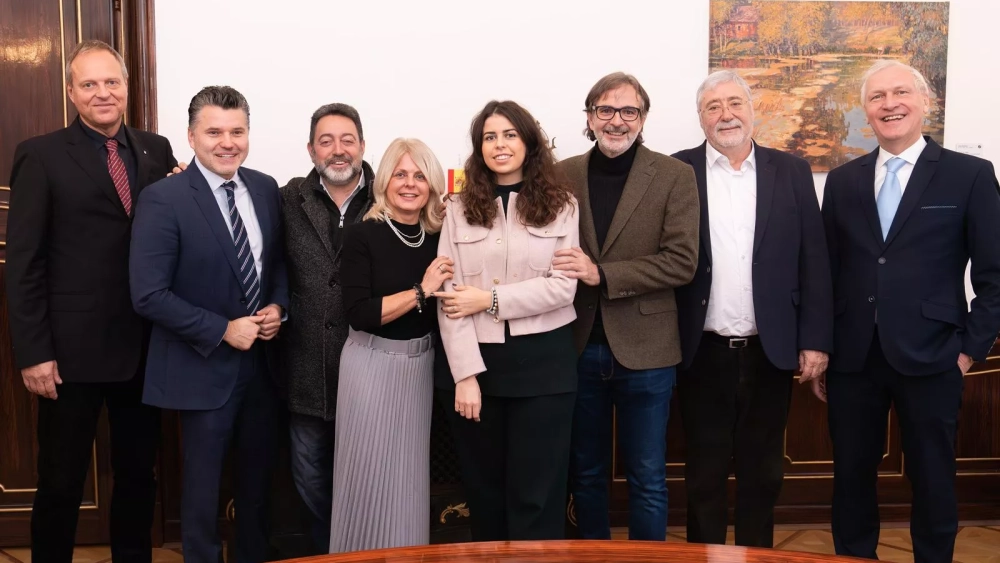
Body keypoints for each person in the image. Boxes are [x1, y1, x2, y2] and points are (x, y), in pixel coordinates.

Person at [5, 39, 177, 563]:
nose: (102, 93)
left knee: (138, 475)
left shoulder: (156, 150)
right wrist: (34, 353)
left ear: (126, 86)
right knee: (61, 480)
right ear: (71, 92)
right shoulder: (40, 154)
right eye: (89, 84)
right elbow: (24, 262)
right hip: (68, 354)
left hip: (145, 346)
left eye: (111, 82)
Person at [822, 60, 1000, 563]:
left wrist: (968, 351)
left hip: (935, 355)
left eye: (901, 92)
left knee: (933, 477)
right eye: (877, 97)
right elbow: (826, 274)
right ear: (865, 110)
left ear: (925, 102)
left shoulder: (969, 175)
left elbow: (995, 276)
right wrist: (821, 348)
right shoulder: (842, 181)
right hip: (853, 358)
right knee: (850, 476)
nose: (890, 104)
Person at [672, 70, 833, 547]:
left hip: (771, 350)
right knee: (703, 475)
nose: (726, 114)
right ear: (700, 117)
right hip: (699, 351)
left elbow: (814, 258)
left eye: (734, 103)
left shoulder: (792, 170)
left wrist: (815, 340)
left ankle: (756, 557)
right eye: (713, 106)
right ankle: (704, 557)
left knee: (763, 475)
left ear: (751, 109)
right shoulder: (677, 171)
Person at [129, 86, 288, 563]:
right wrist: (221, 329)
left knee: (258, 486)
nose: (227, 142)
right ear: (191, 137)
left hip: (263, 368)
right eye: (214, 132)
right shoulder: (163, 198)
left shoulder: (265, 187)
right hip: (200, 368)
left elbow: (277, 264)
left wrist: (278, 307)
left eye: (237, 131)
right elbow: (148, 294)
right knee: (201, 493)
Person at [554, 72, 699, 540]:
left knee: (648, 478)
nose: (616, 121)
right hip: (578, 346)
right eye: (605, 110)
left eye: (628, 111)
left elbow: (682, 262)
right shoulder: (561, 175)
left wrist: (603, 274)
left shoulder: (675, 176)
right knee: (586, 474)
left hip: (648, 351)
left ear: (643, 117)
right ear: (589, 117)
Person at [436, 100, 580, 541]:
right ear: (479, 147)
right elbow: (449, 298)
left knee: (538, 496)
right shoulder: (457, 207)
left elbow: (562, 288)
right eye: (490, 137)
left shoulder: (563, 205)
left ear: (529, 142)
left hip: (545, 370)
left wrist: (490, 299)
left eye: (510, 135)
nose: (500, 145)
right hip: (480, 372)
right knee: (485, 496)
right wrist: (465, 376)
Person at [329, 137, 452, 552]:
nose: (409, 183)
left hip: (419, 369)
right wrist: (422, 290)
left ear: (432, 185)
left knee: (408, 482)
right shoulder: (362, 235)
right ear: (384, 180)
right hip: (370, 368)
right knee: (366, 477)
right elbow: (360, 313)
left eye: (419, 175)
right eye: (400, 174)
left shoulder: (439, 237)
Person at [278, 103, 374, 554]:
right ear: (311, 149)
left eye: (347, 140)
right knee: (310, 476)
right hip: (305, 368)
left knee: (367, 477)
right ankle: (331, 552)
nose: (338, 150)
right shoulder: (285, 198)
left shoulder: (390, 195)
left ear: (362, 146)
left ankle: (363, 551)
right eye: (326, 141)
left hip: (372, 370)